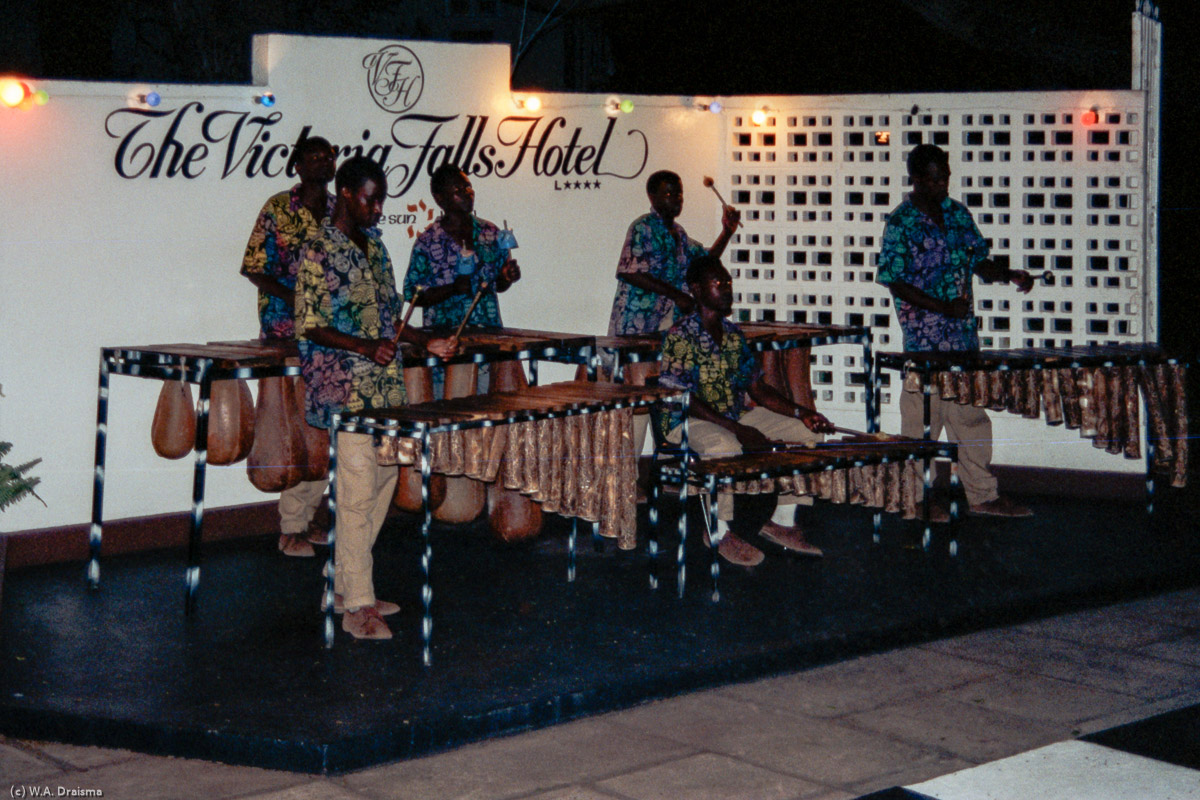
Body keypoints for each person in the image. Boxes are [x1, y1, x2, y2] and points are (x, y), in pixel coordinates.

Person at [294, 155, 457, 640]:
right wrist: (365, 346)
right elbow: (310, 323)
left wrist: (423, 342)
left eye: (381, 199)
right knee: (356, 494)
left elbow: (391, 321)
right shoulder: (318, 249)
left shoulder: (378, 250)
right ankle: (357, 607)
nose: (377, 208)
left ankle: (344, 587)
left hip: (385, 390)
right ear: (345, 192)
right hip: (345, 390)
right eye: (370, 198)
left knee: (382, 484)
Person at [877, 144, 1034, 518]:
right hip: (924, 343)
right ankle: (913, 499)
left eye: (944, 175)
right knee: (921, 425)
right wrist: (943, 307)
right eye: (932, 177)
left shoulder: (958, 214)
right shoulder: (901, 223)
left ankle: (982, 496)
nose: (941, 182)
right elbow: (895, 281)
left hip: (962, 341)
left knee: (970, 419)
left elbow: (978, 261)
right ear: (914, 179)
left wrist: (1008, 273)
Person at [658, 255, 836, 567]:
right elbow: (680, 397)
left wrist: (801, 413)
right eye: (718, 283)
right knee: (723, 446)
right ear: (697, 290)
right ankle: (718, 529)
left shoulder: (732, 334)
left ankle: (782, 520)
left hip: (733, 415)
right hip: (686, 419)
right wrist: (738, 429)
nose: (727, 288)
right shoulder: (679, 336)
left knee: (805, 433)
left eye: (728, 281)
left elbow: (757, 388)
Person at [240, 135, 337, 558]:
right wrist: (296, 298)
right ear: (296, 165)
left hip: (334, 334)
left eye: (329, 155)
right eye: (313, 155)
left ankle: (312, 515)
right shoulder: (279, 208)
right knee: (295, 426)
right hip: (287, 332)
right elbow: (253, 269)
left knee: (326, 424)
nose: (323, 161)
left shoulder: (341, 210)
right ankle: (291, 526)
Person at [608, 169, 741, 458]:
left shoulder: (679, 235)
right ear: (652, 196)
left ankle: (665, 466)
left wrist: (726, 232)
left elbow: (704, 262)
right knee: (639, 395)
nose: (676, 199)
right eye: (669, 193)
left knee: (664, 394)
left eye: (679, 193)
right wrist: (676, 294)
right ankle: (629, 474)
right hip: (637, 325)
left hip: (666, 328)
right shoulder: (642, 227)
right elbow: (628, 271)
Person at [403, 163, 522, 330]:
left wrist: (506, 277)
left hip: (488, 334)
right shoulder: (427, 243)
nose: (468, 193)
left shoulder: (490, 232)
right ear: (439, 198)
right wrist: (453, 289)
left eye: (468, 187)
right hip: (443, 341)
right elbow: (412, 294)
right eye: (458, 190)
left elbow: (499, 286)